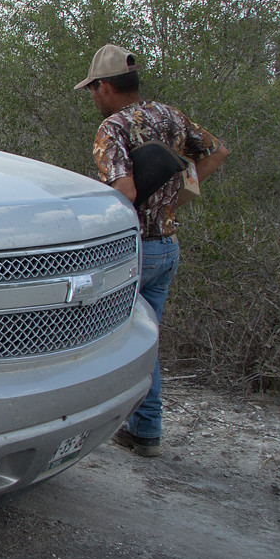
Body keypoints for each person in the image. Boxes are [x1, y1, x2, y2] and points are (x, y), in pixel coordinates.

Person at [80, 44, 228, 457]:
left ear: (105, 86)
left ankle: (87, 425)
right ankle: (145, 429)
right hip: (167, 245)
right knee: (146, 339)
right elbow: (217, 150)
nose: (92, 97)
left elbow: (124, 193)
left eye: (92, 89)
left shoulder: (113, 128)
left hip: (133, 252)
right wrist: (180, 195)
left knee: (93, 340)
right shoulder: (170, 115)